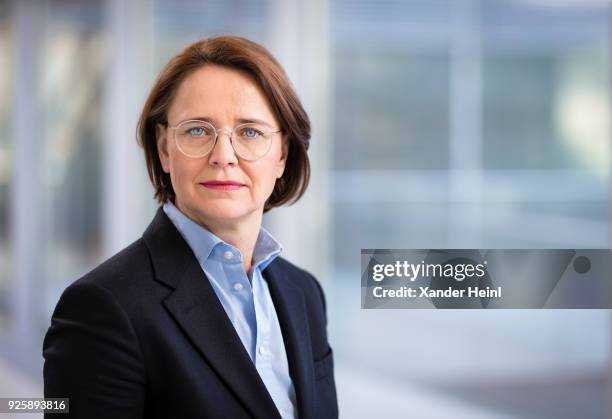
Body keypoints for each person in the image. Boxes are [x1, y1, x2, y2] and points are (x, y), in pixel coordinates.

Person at [43, 35, 338, 419]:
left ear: (282, 155)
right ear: (165, 148)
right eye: (198, 130)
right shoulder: (102, 307)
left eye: (250, 132)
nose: (223, 156)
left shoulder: (304, 294)